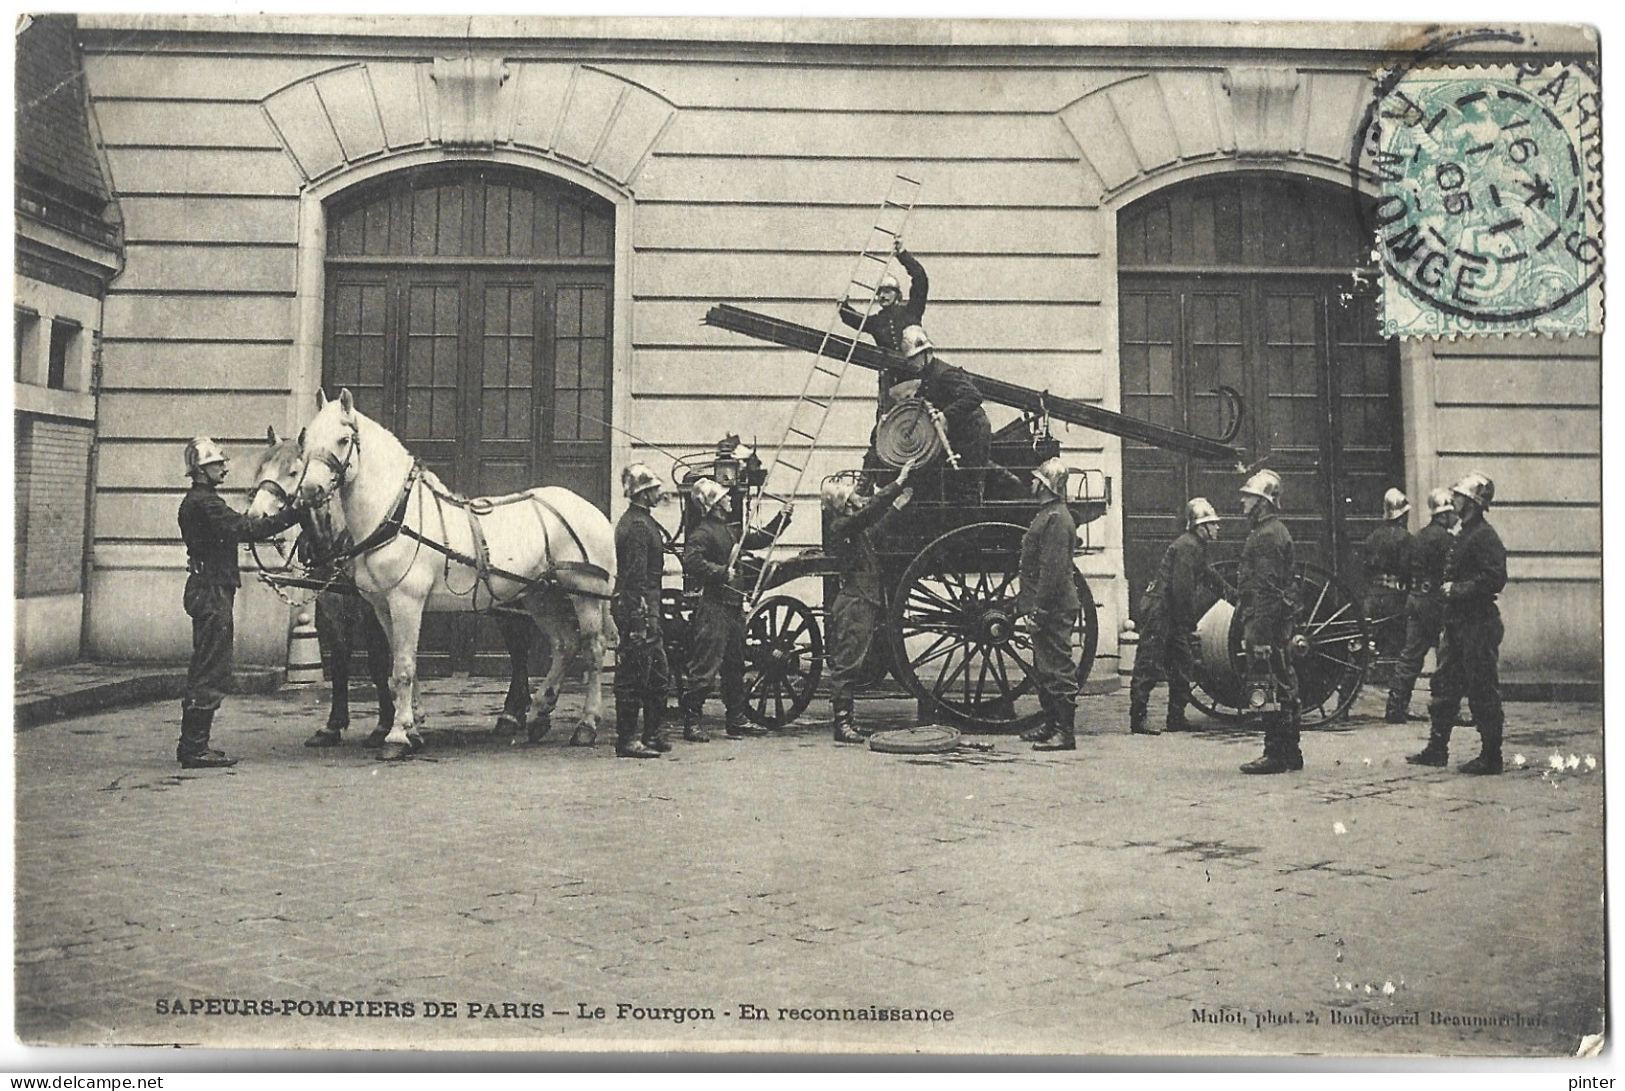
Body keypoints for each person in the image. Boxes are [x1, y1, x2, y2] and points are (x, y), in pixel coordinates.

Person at [176, 436, 305, 768]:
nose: (224, 467)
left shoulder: (202, 501)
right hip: (212, 591)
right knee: (210, 668)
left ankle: (193, 745)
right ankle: (194, 749)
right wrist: (295, 513)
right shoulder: (205, 504)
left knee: (207, 665)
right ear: (202, 470)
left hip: (208, 588)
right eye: (218, 463)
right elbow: (245, 527)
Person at [680, 478, 792, 741]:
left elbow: (756, 539)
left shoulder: (729, 530)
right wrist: (721, 573)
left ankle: (736, 719)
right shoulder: (703, 533)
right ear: (715, 504)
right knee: (705, 667)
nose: (730, 499)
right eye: (725, 497)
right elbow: (691, 562)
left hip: (732, 608)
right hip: (714, 608)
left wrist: (782, 518)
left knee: (734, 666)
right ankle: (692, 722)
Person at [1410, 472, 1507, 773]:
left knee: (1481, 688)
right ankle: (1437, 748)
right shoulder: (1465, 532)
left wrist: (1459, 589)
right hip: (1457, 623)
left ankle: (1491, 756)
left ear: (1473, 503)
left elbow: (1495, 578)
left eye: (1459, 496)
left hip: (1478, 623)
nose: (1453, 500)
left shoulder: (1485, 536)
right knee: (1444, 685)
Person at [823, 460, 916, 744]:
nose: (858, 498)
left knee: (851, 660)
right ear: (843, 504)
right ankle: (842, 724)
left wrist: (897, 506)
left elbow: (874, 529)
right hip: (855, 602)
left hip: (862, 599)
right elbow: (871, 511)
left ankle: (846, 721)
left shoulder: (852, 529)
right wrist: (898, 482)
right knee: (847, 663)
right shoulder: (842, 526)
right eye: (852, 497)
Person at [1124, 497, 1228, 738]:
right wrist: (1187, 623)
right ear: (1200, 527)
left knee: (1182, 664)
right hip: (1160, 611)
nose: (1217, 528)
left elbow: (1209, 576)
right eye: (1212, 524)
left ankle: (1176, 717)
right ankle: (1138, 718)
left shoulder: (1195, 547)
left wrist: (1231, 595)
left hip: (1169, 613)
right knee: (1149, 664)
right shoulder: (1188, 547)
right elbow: (1181, 590)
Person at [1235, 469, 1301, 775]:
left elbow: (1266, 590)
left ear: (1263, 502)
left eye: (1248, 497)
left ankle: (1275, 752)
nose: (1242, 501)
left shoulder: (1266, 537)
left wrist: (1259, 633)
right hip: (1274, 622)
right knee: (1283, 682)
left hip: (1265, 623)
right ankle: (1290, 752)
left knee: (1268, 684)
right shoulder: (1272, 532)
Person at [1015, 458, 1080, 752]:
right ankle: (1052, 725)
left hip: (1053, 606)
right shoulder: (1049, 514)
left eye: (1036, 480)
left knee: (1059, 668)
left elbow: (1052, 573)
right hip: (1047, 605)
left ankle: (1065, 733)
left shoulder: (1055, 518)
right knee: (1046, 667)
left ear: (1045, 485)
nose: (1031, 483)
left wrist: (1039, 612)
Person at [611, 463, 671, 759]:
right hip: (639, 608)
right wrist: (638, 619)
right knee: (633, 676)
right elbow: (635, 577)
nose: (659, 493)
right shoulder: (636, 526)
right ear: (644, 493)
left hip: (648, 608)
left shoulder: (643, 521)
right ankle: (627, 740)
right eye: (654, 489)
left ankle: (652, 733)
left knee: (658, 674)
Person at [904, 325, 993, 502]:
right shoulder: (927, 375)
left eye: (914, 357)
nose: (912, 362)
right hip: (960, 433)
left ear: (926, 353)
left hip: (973, 432)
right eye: (910, 359)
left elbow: (974, 396)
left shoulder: (944, 373)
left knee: (968, 482)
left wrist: (945, 414)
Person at [1390, 488, 1455, 726]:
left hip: (1415, 600)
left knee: (1410, 656)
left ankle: (1395, 707)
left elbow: (1404, 571)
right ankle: (1445, 708)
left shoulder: (1417, 537)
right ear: (1444, 515)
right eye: (1452, 513)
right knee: (1448, 656)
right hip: (1436, 603)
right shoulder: (1447, 540)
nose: (1455, 518)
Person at [839, 239, 928, 406]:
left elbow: (920, 279)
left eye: (888, 291)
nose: (883, 296)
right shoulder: (877, 321)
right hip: (891, 384)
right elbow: (858, 321)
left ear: (897, 294)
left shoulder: (912, 310)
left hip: (917, 381)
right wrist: (843, 307)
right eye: (880, 293)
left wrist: (903, 255)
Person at [1362, 488, 1413, 662]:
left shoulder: (1372, 537)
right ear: (1403, 515)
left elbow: (1365, 569)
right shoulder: (1406, 538)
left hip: (1374, 596)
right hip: (1395, 596)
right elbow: (1407, 569)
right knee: (1396, 640)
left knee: (1377, 638)